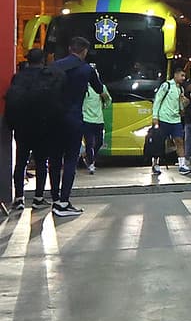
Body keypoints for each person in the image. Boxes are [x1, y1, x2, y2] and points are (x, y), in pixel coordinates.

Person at [49, 36, 108, 217]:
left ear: (69, 49)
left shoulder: (55, 66)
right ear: (84, 51)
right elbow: (99, 89)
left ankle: (55, 199)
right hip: (73, 119)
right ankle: (64, 202)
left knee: (55, 160)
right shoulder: (86, 69)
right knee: (70, 161)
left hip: (54, 119)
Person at [5, 48, 59, 211]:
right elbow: (54, 101)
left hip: (22, 126)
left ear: (28, 60)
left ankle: (19, 198)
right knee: (42, 162)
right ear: (42, 60)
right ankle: (38, 198)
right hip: (43, 126)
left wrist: (11, 124)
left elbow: (12, 100)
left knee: (20, 161)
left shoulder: (19, 77)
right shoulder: (49, 76)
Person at [151, 66, 191, 175]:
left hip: (176, 120)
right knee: (159, 143)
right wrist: (155, 116)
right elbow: (158, 100)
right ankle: (155, 164)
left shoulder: (181, 89)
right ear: (176, 75)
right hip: (164, 118)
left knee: (179, 141)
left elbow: (180, 106)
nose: (183, 78)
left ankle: (182, 165)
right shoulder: (166, 86)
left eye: (184, 76)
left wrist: (184, 104)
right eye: (182, 75)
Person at [82, 76, 112, 173]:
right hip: (86, 119)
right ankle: (91, 163)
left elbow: (108, 100)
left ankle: (89, 157)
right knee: (89, 143)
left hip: (99, 120)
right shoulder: (84, 88)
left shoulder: (102, 88)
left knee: (99, 142)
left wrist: (104, 102)